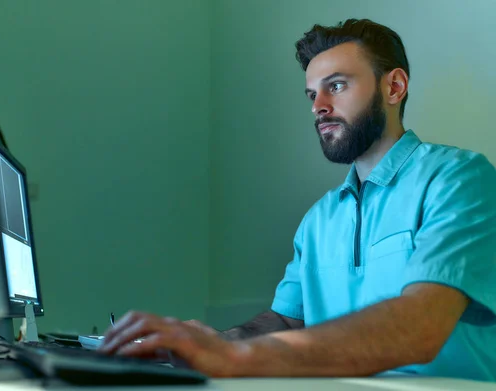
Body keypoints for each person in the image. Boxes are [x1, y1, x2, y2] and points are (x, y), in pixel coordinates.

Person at [98, 19, 496, 380]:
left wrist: (236, 360)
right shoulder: (318, 220)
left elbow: (419, 327)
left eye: (336, 86)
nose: (318, 107)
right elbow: (287, 322)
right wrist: (213, 341)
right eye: (312, 94)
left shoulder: (460, 179)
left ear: (394, 87)